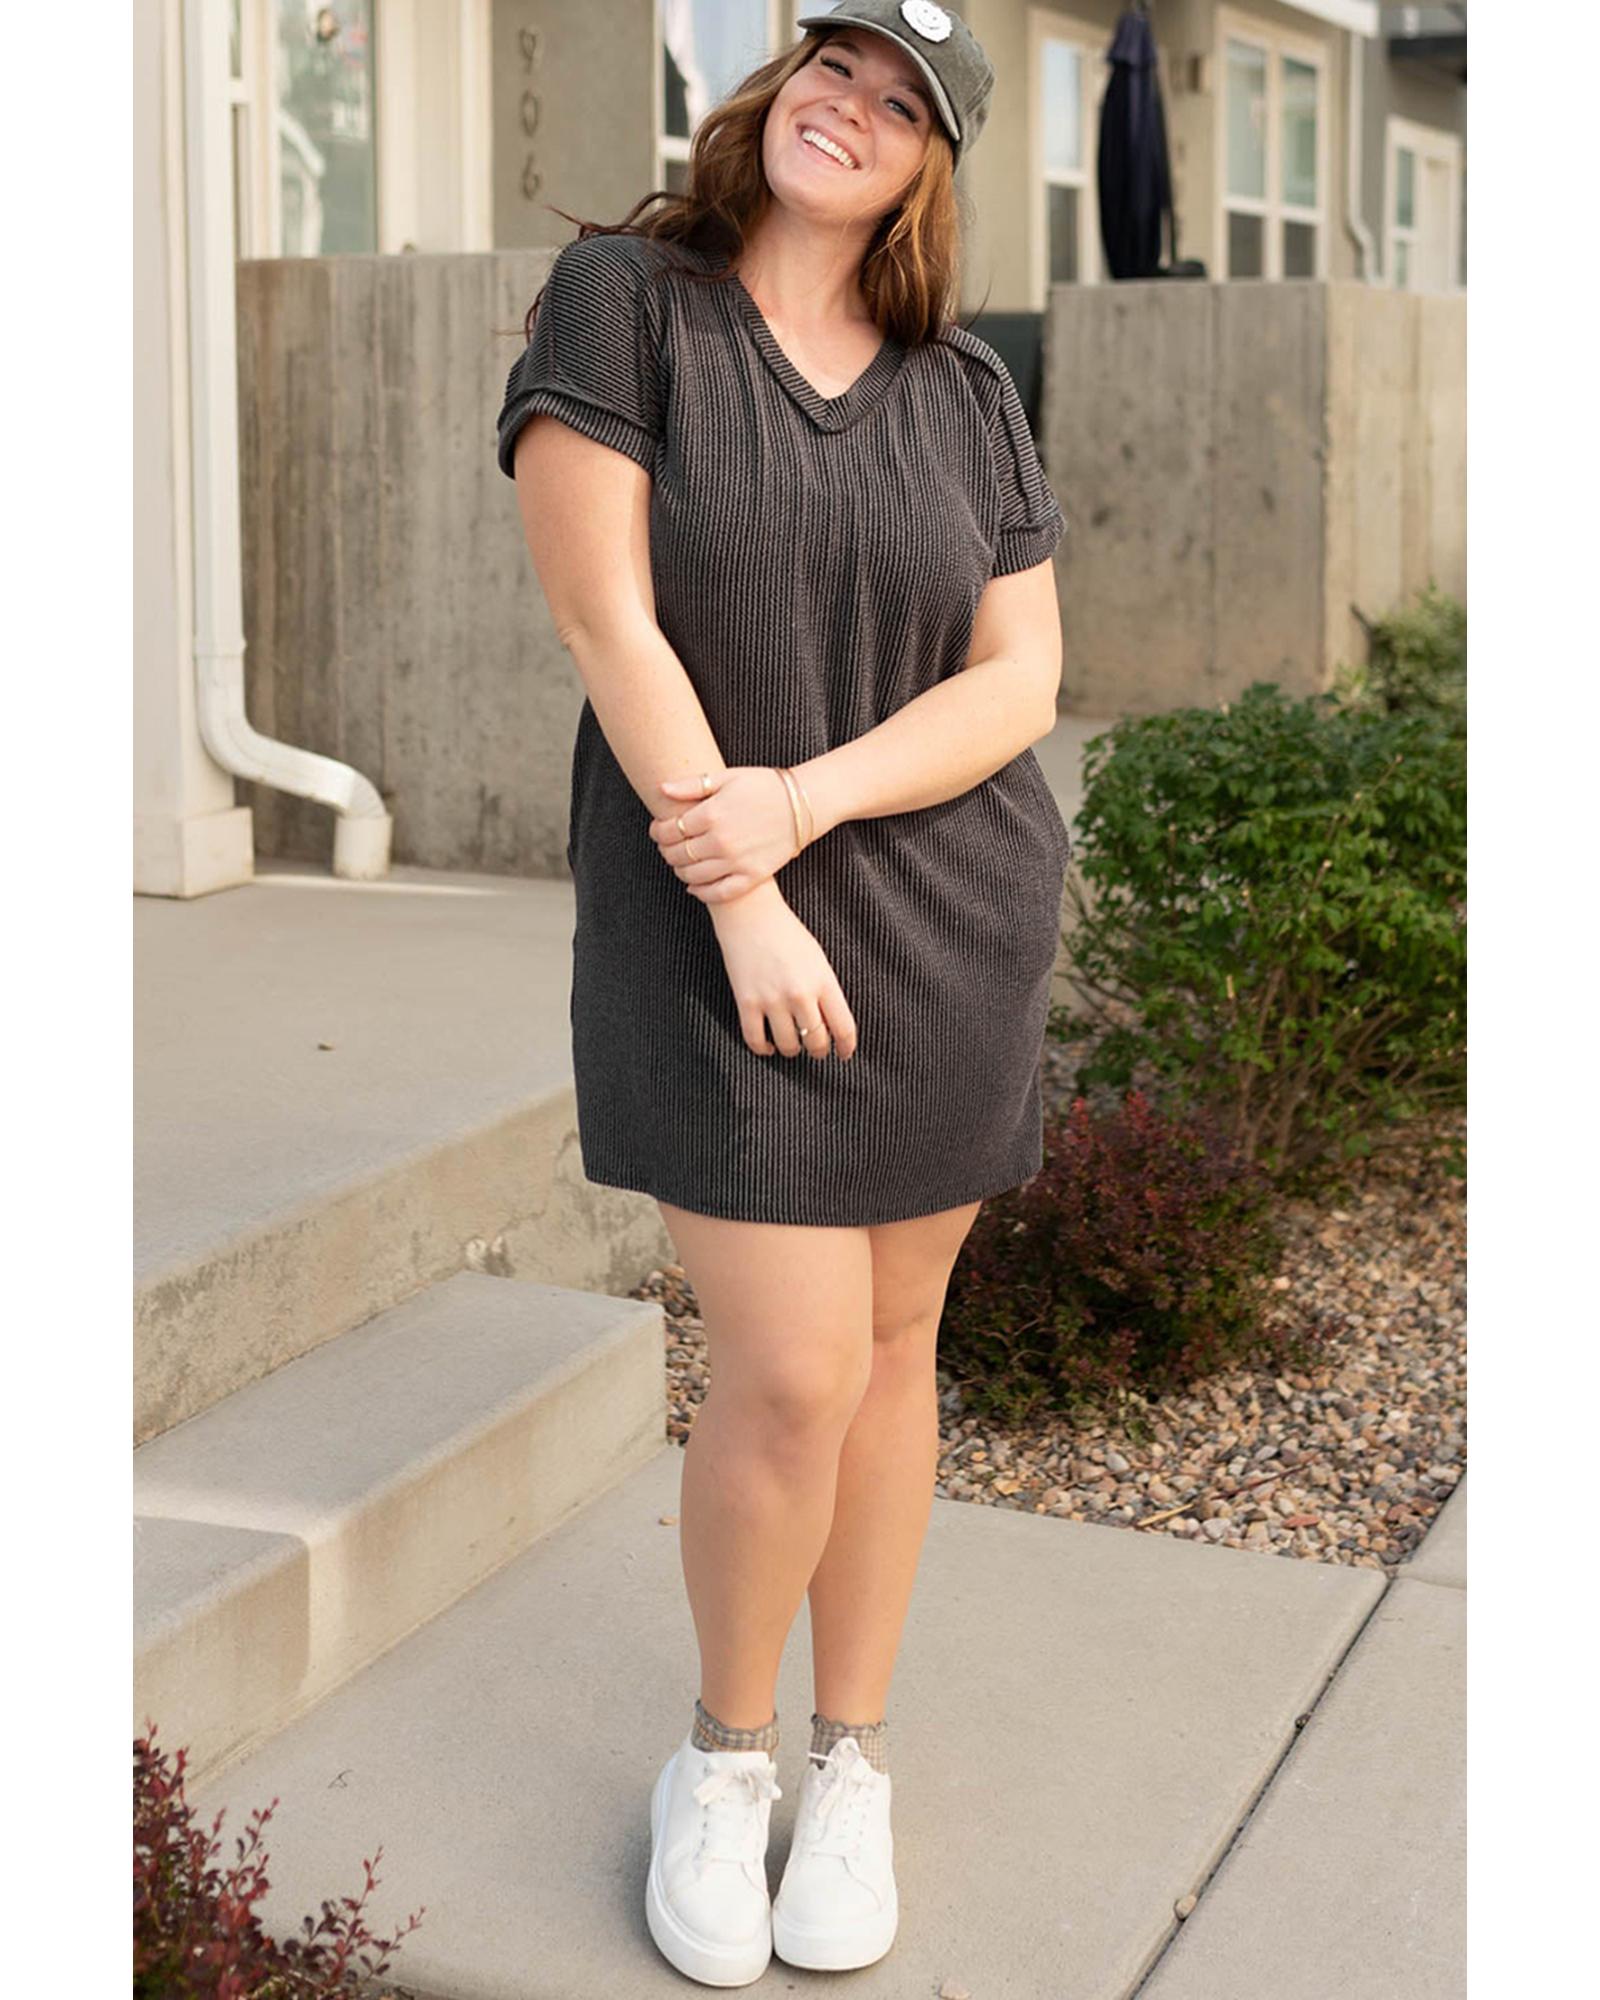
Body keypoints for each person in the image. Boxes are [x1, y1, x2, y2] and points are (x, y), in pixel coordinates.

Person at [495, 1, 1070, 1983]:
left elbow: (1019, 677)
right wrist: (743, 890)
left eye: (902, 103)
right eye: (836, 64)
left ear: (929, 166)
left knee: (896, 1349)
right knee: (795, 1368)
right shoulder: (627, 305)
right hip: (705, 920)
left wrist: (805, 804)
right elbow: (603, 613)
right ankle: (722, 1759)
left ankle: (853, 1764)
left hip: (943, 917)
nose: (853, 107)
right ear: (778, 81)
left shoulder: (964, 391)